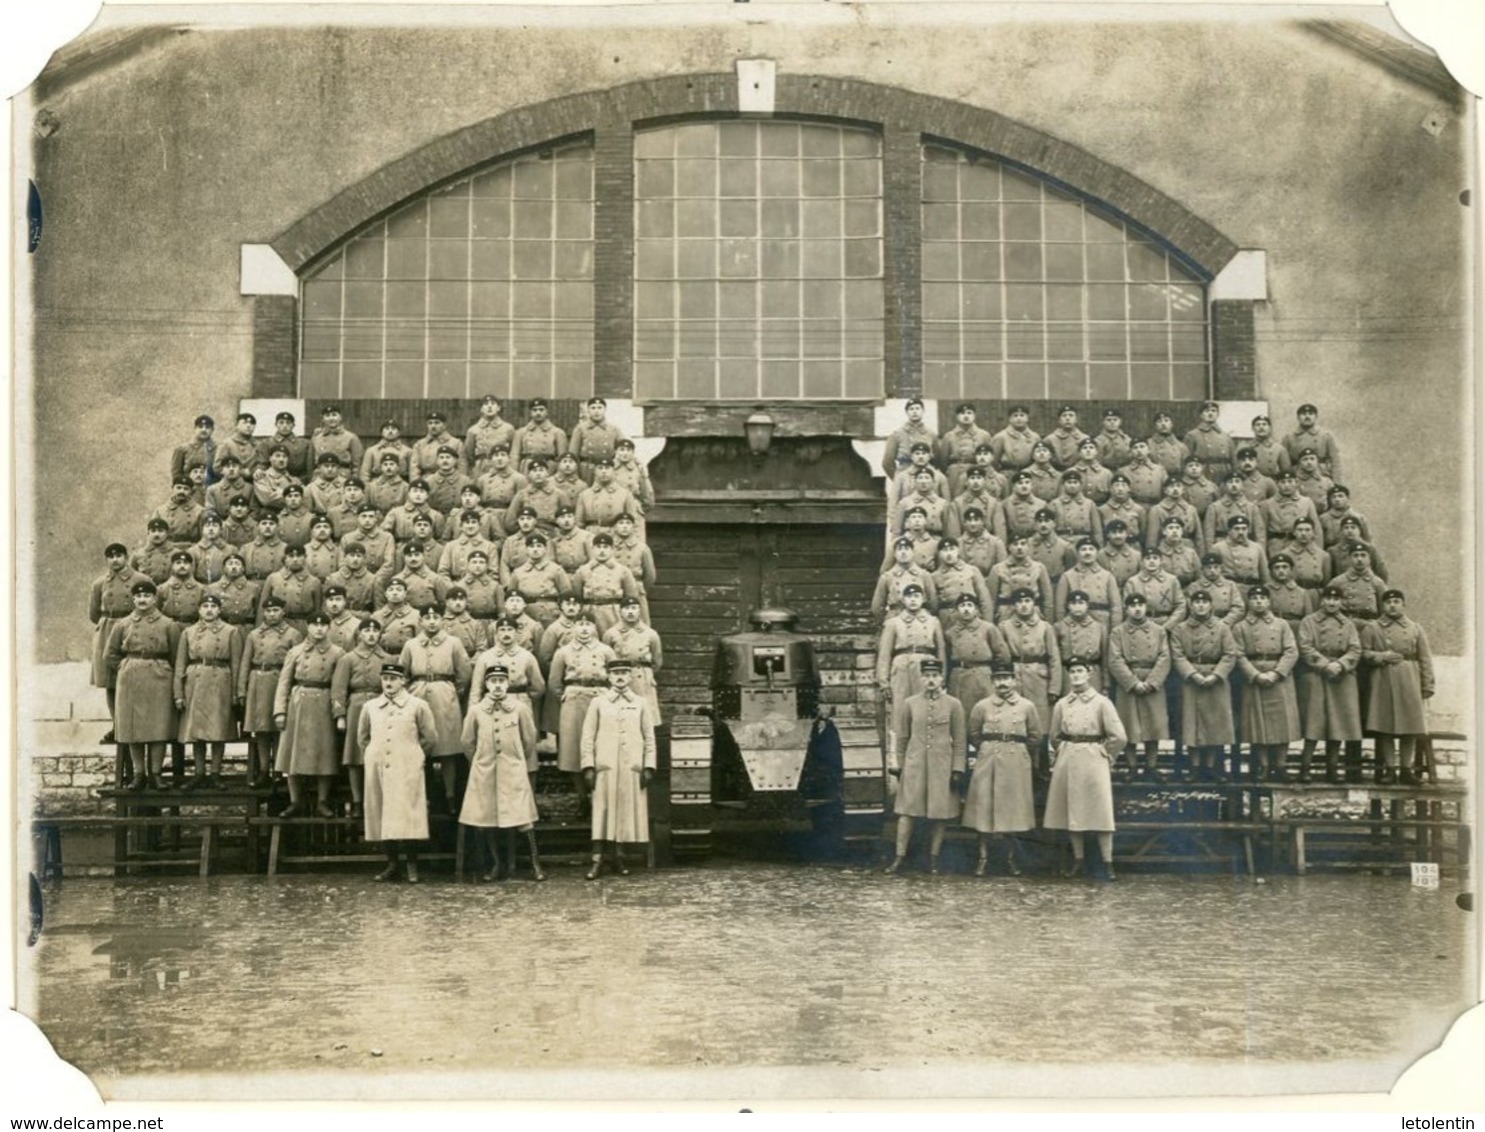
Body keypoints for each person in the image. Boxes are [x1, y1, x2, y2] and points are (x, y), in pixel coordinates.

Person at [1043, 658, 1126, 880]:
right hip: (1069, 759)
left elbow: (1118, 737)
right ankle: (1078, 860)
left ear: (1089, 673)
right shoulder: (1062, 704)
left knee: (1101, 812)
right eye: (1072, 672)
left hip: (1093, 758)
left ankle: (1108, 863)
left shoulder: (1102, 703)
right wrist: (1064, 752)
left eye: (1080, 671)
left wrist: (1104, 755)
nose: (1076, 676)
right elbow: (1054, 736)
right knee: (1073, 811)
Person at [460, 665, 544, 882]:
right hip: (484, 771)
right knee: (485, 819)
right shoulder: (476, 711)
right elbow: (467, 742)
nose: (497, 685)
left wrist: (515, 759)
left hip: (512, 770)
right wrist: (480, 761)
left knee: (524, 819)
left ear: (507, 684)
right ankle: (496, 864)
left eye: (501, 681)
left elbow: (529, 740)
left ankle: (535, 865)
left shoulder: (519, 709)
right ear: (486, 684)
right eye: (493, 681)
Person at [883, 659, 965, 875]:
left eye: (935, 675)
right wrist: (900, 766)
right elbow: (901, 739)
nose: (930, 680)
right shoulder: (910, 703)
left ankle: (933, 859)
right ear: (920, 678)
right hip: (915, 766)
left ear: (941, 678)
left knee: (939, 813)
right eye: (926, 675)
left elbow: (959, 741)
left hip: (941, 767)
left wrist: (957, 769)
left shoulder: (953, 704)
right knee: (906, 812)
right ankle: (899, 857)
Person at [360, 662, 440, 883]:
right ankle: (393, 864)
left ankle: (412, 865)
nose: (389, 682)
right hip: (379, 764)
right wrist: (375, 755)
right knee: (382, 813)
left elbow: (430, 738)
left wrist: (413, 755)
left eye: (394, 678)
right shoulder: (371, 707)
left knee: (408, 815)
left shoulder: (417, 705)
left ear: (403, 681)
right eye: (385, 678)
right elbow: (363, 738)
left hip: (407, 765)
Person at [580, 658, 658, 879]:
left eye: (624, 672)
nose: (620, 677)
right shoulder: (599, 703)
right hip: (605, 766)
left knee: (623, 812)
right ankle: (596, 860)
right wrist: (588, 765)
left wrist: (648, 765)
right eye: (615, 673)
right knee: (602, 812)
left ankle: (618, 857)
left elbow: (649, 738)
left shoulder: (641, 703)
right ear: (608, 676)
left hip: (630, 766)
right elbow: (588, 736)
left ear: (631, 675)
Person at [963, 659, 1042, 875]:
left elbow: (1035, 737)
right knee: (984, 812)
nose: (1002, 683)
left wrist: (1019, 752)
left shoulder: (1027, 706)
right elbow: (974, 734)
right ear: (992, 681)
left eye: (1006, 678)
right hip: (988, 762)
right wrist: (989, 748)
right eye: (998, 679)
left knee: (1012, 813)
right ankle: (983, 858)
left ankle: (1010, 860)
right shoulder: (982, 706)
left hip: (1015, 763)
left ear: (1014, 680)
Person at [104, 580, 182, 791]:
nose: (142, 600)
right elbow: (109, 654)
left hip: (159, 677)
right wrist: (125, 666)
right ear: (133, 599)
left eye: (147, 596)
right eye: (138, 596)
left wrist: (164, 671)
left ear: (154, 599)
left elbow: (176, 656)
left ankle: (156, 774)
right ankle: (139, 774)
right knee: (132, 728)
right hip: (131, 678)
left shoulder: (168, 625)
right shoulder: (122, 624)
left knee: (158, 726)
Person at [400, 603, 474, 814]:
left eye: (436, 617)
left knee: (448, 749)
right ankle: (423, 797)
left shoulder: (453, 643)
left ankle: (450, 796)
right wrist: (409, 694)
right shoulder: (411, 645)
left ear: (442, 620)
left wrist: (452, 692)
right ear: (421, 621)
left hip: (445, 698)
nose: (432, 621)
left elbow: (464, 673)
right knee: (419, 748)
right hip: (417, 695)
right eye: (427, 618)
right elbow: (402, 672)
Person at [273, 612, 346, 817]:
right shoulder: (295, 652)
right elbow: (284, 682)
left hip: (323, 704)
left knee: (325, 754)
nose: (319, 629)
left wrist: (339, 713)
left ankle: (322, 801)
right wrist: (280, 711)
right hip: (298, 705)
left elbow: (339, 687)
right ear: (308, 627)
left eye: (323, 625)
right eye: (315, 625)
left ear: (329, 628)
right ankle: (295, 801)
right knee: (292, 754)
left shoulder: (337, 653)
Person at [1360, 590, 1435, 785]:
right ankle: (1391, 770)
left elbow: (1425, 658)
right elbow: (1363, 653)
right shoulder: (1372, 628)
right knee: (1385, 726)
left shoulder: (1415, 629)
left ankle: (1406, 770)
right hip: (1382, 679)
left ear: (1403, 604)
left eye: (1396, 601)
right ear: (1382, 606)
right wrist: (1381, 656)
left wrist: (1427, 684)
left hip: (1409, 679)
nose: (1392, 605)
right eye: (1388, 602)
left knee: (1409, 727)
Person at [173, 593, 242, 790]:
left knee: (218, 729)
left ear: (219, 610)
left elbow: (236, 664)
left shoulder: (231, 632)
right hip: (195, 681)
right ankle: (199, 772)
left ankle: (215, 773)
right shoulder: (189, 632)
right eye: (205, 607)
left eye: (213, 606)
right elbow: (180, 664)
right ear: (199, 610)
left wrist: (237, 692)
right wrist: (178, 693)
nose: (209, 610)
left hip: (220, 681)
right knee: (197, 730)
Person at [1231, 585, 1300, 781]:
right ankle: (1262, 766)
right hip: (1254, 677)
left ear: (1269, 601)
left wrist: (1277, 673)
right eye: (1254, 598)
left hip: (1279, 677)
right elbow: (1238, 654)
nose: (1259, 601)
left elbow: (1291, 651)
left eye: (1262, 598)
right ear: (1249, 602)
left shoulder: (1282, 625)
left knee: (1282, 723)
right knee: (1257, 724)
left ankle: (1280, 765)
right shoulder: (1241, 627)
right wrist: (1255, 675)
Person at [1295, 584, 1363, 783]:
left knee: (1338, 724)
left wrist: (1340, 665)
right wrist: (1325, 665)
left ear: (1341, 602)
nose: (1331, 603)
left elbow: (1355, 649)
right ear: (1321, 600)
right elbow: (1305, 646)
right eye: (1328, 599)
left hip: (1341, 677)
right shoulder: (1309, 622)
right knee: (1313, 724)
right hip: (1316, 675)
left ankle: (1332, 769)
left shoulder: (1348, 625)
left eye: (1336, 599)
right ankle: (1305, 768)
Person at [551, 615, 618, 813]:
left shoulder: (606, 651)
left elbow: (616, 676)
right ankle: (582, 799)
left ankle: (600, 796)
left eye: (588, 625)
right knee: (574, 750)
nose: (584, 629)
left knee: (601, 746)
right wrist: (566, 696)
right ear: (574, 628)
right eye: (580, 625)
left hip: (600, 699)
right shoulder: (563, 652)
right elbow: (554, 683)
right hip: (574, 700)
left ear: (595, 628)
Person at [1169, 589, 1238, 782]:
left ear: (1211, 605)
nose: (1200, 605)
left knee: (1215, 724)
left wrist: (1216, 675)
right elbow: (1178, 655)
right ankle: (1194, 767)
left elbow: (1230, 654)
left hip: (1216, 680)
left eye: (1205, 602)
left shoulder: (1222, 628)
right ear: (1190, 605)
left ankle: (1212, 767)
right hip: (1191, 680)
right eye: (1196, 602)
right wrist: (1193, 674)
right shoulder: (1180, 629)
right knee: (1192, 724)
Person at [1105, 592, 1171, 781]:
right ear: (1126, 609)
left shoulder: (1159, 631)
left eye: (1141, 605)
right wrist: (1132, 683)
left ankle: (1151, 767)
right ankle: (1132, 767)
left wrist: (1151, 682)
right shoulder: (1118, 632)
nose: (1137, 608)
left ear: (1145, 607)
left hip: (1152, 681)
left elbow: (1165, 657)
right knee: (1129, 725)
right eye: (1133, 606)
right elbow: (1115, 659)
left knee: (1153, 725)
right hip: (1129, 682)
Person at [90, 543, 151, 743]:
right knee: (111, 682)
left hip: (133, 627)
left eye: (119, 555)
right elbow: (93, 614)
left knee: (136, 677)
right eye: (111, 556)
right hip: (108, 630)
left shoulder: (140, 579)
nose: (115, 559)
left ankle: (138, 724)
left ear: (126, 557)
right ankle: (117, 725)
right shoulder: (100, 583)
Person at [331, 617, 389, 819]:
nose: (371, 635)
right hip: (355, 708)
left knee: (381, 755)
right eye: (367, 631)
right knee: (355, 757)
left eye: (375, 631)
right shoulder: (348, 659)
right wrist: (340, 716)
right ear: (360, 634)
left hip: (381, 707)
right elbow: (338, 690)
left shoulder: (387, 659)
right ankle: (357, 802)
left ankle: (380, 801)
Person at [1000, 587, 1061, 778]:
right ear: (1014, 606)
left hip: (1038, 679)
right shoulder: (1005, 627)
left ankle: (1041, 767)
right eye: (1019, 602)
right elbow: (1001, 658)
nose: (1024, 605)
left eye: (1027, 601)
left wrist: (1054, 687)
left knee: (1040, 725)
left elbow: (1054, 659)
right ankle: (1017, 766)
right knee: (1015, 721)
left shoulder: (1045, 627)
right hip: (1015, 678)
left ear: (1034, 604)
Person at [603, 596, 664, 719]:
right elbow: (604, 660)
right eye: (626, 608)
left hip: (642, 678)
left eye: (634, 608)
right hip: (619, 677)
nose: (630, 612)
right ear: (620, 612)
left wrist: (646, 672)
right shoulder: (611, 633)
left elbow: (657, 661)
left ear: (640, 610)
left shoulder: (650, 634)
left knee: (644, 715)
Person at [938, 402, 993, 496]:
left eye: (969, 413)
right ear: (957, 416)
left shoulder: (984, 435)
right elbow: (943, 461)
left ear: (974, 416)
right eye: (962, 413)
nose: (966, 416)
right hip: (955, 473)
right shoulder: (949, 436)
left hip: (977, 473)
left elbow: (990, 457)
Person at [569, 396, 626, 482]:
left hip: (606, 468)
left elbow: (623, 450)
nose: (596, 411)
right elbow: (573, 453)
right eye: (593, 408)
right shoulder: (580, 428)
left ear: (605, 410)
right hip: (586, 469)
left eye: (600, 408)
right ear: (588, 410)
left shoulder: (613, 429)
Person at [1283, 402, 1341, 481]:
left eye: (1310, 414)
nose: (1307, 416)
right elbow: (1284, 463)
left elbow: (1335, 461)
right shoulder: (1289, 437)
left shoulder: (1325, 436)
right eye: (1303, 414)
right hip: (1298, 477)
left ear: (1316, 417)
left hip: (1322, 476)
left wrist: (1337, 482)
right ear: (1298, 417)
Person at [882, 396, 937, 476]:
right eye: (911, 409)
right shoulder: (897, 434)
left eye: (918, 408)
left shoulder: (931, 433)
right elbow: (887, 462)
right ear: (907, 412)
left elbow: (937, 459)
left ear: (923, 411)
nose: (914, 412)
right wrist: (898, 479)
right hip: (905, 471)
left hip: (925, 475)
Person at [1183, 400, 1234, 483]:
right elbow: (1186, 459)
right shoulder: (1193, 435)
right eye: (1207, 411)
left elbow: (1233, 460)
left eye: (1213, 411)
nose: (1210, 413)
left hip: (1224, 474)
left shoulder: (1225, 436)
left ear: (1218, 414)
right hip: (1204, 474)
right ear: (1201, 415)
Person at [511, 398, 568, 473]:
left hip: (548, 469)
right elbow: (514, 456)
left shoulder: (557, 432)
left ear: (547, 411)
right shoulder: (521, 432)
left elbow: (562, 458)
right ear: (530, 412)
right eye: (534, 410)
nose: (538, 413)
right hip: (527, 469)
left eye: (541, 410)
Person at [464, 394, 517, 470]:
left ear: (498, 408)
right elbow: (469, 454)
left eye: (493, 404)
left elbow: (513, 452)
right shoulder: (473, 430)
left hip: (502, 467)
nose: (489, 406)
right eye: (486, 404)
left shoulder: (508, 428)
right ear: (481, 409)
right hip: (481, 468)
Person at [989, 404, 1038, 472]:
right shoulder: (1001, 437)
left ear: (1027, 418)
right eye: (1015, 416)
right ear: (1010, 419)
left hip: (1029, 473)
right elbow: (993, 460)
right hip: (1008, 473)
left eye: (1022, 415)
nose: (1019, 418)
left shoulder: (1035, 437)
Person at [171, 414, 216, 487]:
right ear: (195, 428)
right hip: (190, 488)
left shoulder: (219, 448)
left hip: (211, 488)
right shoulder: (182, 449)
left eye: (207, 427)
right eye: (200, 427)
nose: (204, 430)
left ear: (212, 430)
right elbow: (176, 473)